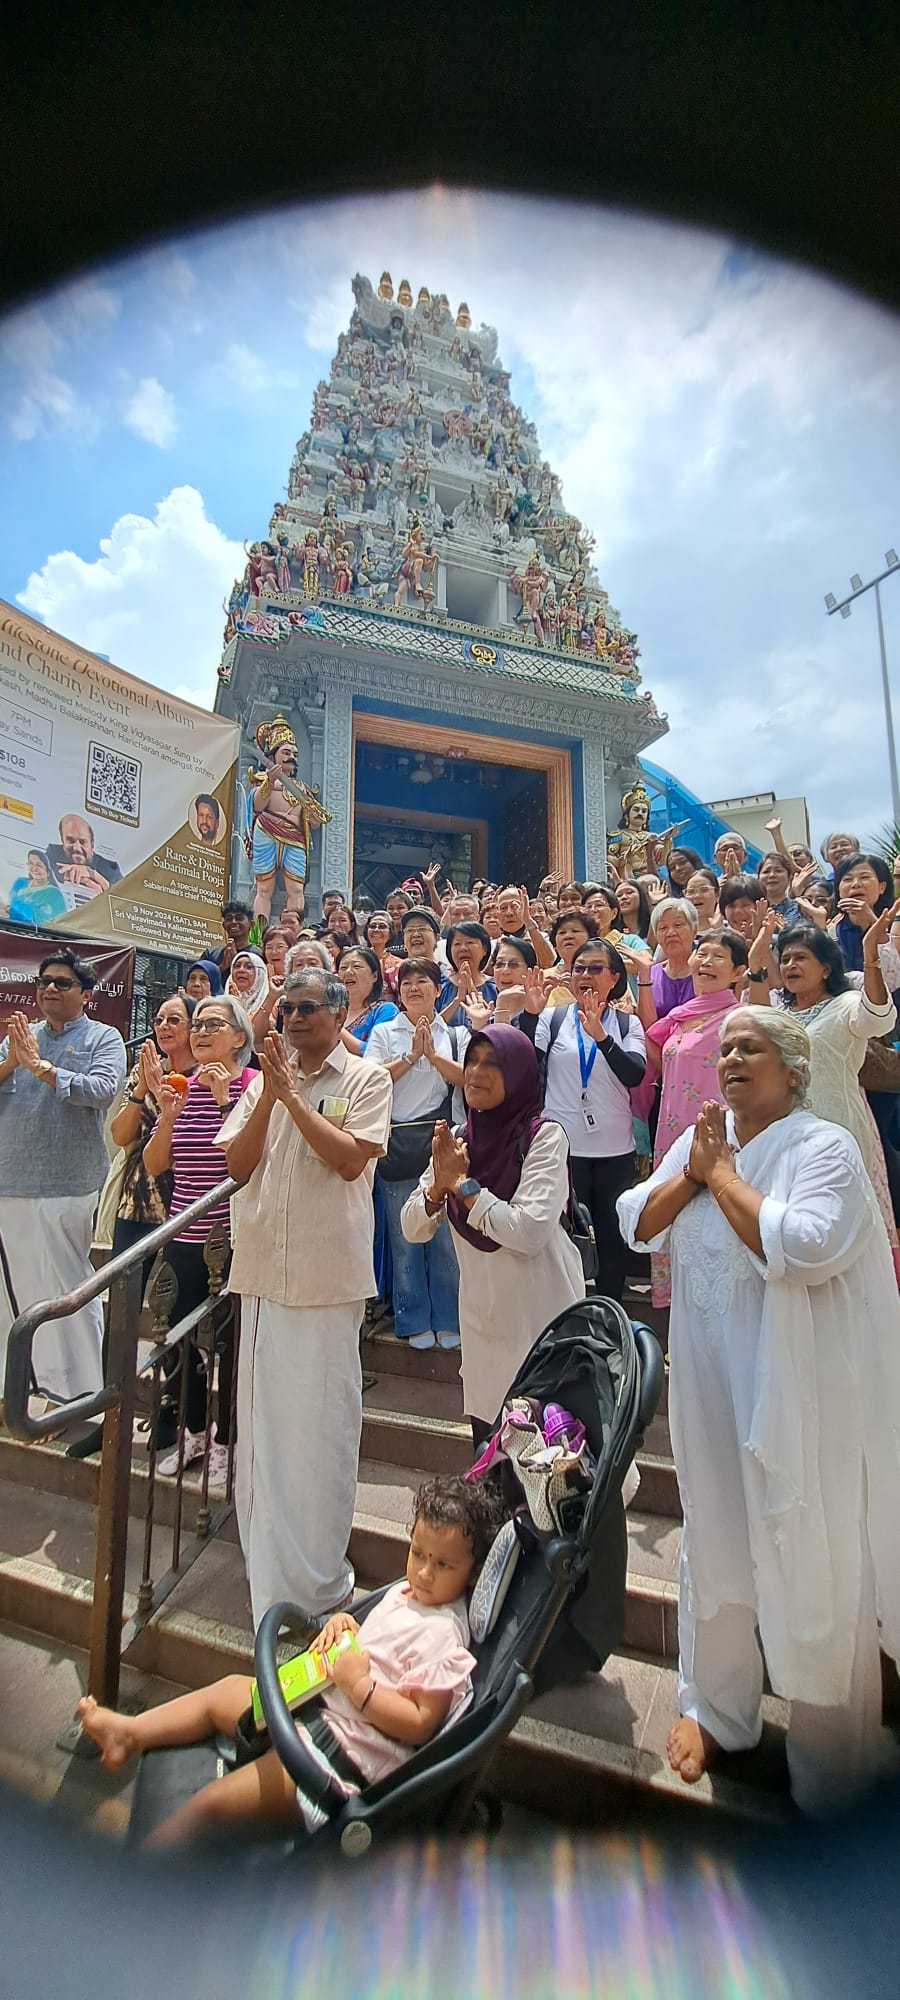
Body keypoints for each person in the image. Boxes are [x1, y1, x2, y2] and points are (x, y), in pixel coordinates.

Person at [616, 1009, 900, 1815]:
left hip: (802, 1397)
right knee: (716, 1542)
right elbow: (635, 1220)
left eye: (753, 1047)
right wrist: (694, 1172)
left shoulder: (823, 1147)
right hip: (707, 1391)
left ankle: (831, 1761)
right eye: (727, 1047)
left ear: (794, 1069)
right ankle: (719, 1712)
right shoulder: (700, 1142)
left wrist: (722, 1178)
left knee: (813, 1549)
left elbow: (804, 1246)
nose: (733, 1057)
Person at [75, 1474, 501, 1848]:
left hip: (341, 1754)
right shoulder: (406, 1593)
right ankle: (128, 1734)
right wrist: (345, 1626)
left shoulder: (444, 1636)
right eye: (418, 1554)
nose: (424, 1572)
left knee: (210, 1806)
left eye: (443, 1564)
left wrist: (361, 1688)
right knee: (224, 1692)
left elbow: (422, 1722)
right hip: (318, 1704)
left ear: (472, 1570)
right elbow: (377, 1640)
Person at [218, 970, 393, 1623]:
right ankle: (270, 1579)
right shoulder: (267, 1075)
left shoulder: (366, 1078)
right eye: (284, 1008)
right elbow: (237, 1165)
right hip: (263, 1271)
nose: (291, 1017)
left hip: (325, 1281)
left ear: (340, 1010)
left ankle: (319, 1582)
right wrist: (271, 1094)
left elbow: (350, 1161)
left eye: (307, 1007)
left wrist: (294, 1099)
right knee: (265, 1435)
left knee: (318, 1433)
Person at [402, 1028, 585, 1440]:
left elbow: (528, 1231)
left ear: (519, 1074)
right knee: (492, 1464)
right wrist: (437, 1189)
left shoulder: (545, 1137)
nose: (476, 1073)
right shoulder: (458, 1141)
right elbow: (412, 1226)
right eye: (472, 1061)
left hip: (542, 1326)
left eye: (492, 1063)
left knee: (551, 1466)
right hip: (485, 1330)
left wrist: (465, 1187)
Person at [0, 950, 126, 1402]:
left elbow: (101, 1091)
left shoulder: (103, 1037)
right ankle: (20, 1389)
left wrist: (43, 1068)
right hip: (10, 1181)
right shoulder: (20, 1038)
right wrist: (14, 1062)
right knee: (12, 1290)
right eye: (44, 981)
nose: (49, 988)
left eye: (62, 983)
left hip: (68, 1182)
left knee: (66, 1289)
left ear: (86, 995)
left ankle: (76, 1392)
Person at [143, 993, 255, 1479]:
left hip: (234, 1236)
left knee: (229, 1344)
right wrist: (168, 1114)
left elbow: (252, 1160)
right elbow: (154, 1164)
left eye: (216, 1024)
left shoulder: (254, 1084)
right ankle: (192, 1433)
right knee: (177, 1341)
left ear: (240, 1037)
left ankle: (228, 1440)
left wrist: (223, 1098)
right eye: (199, 1024)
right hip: (182, 1233)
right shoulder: (178, 1084)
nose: (203, 1032)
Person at [748, 912, 900, 1264]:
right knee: (792, 1232)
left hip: (837, 1129)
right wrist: (757, 964)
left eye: (800, 957)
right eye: (784, 958)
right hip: (780, 1134)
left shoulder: (845, 1004)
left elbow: (880, 1018)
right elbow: (756, 1026)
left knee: (838, 1234)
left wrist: (870, 954)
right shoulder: (777, 1007)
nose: (789, 965)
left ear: (827, 968)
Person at [520, 940, 646, 1302]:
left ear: (614, 977)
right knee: (562, 1235)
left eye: (595, 968)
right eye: (579, 968)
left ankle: (608, 1313)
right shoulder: (553, 1018)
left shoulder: (626, 1023)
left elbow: (635, 1073)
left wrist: (602, 1039)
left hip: (614, 1150)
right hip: (564, 1149)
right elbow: (526, 1064)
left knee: (611, 1235)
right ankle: (567, 1312)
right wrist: (530, 1015)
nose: (585, 976)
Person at [644, 928, 749, 1305]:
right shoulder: (679, 1016)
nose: (705, 961)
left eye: (718, 957)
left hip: (716, 1136)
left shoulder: (739, 1017)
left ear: (738, 972)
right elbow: (661, 1059)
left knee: (713, 1223)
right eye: (701, 954)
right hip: (671, 1134)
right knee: (674, 1218)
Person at [365, 960, 464, 1352]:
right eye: (407, 983)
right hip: (398, 1144)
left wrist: (434, 1056)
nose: (414, 988)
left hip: (439, 1142)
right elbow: (372, 1080)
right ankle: (411, 1316)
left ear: (438, 989)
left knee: (443, 1236)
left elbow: (466, 1079)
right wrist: (409, 1056)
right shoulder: (385, 1032)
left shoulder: (455, 1034)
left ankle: (449, 1315)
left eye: (423, 981)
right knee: (403, 1235)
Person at [109, 992, 197, 1274]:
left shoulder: (207, 1075)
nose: (164, 1026)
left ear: (192, 1026)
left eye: (174, 1020)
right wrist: (142, 1088)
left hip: (183, 1198)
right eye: (158, 1020)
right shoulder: (144, 1070)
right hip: (139, 1198)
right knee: (123, 1293)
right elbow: (121, 1136)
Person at [831, 853, 894, 971]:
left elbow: (894, 980)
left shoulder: (894, 925)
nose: (855, 884)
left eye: (864, 877)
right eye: (847, 879)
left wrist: (875, 927)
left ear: (882, 887)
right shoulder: (832, 931)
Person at [338, 946, 397, 1052]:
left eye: (357, 966)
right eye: (343, 968)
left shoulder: (385, 1010)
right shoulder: (331, 1009)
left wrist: (336, 1029)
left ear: (374, 976)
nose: (348, 972)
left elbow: (375, 1052)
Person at [438, 921, 497, 1027]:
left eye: (470, 942)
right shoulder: (439, 986)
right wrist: (457, 1001)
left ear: (484, 949)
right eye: (457, 944)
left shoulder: (495, 987)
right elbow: (432, 1027)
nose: (463, 948)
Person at [47, 814, 122, 897]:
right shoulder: (53, 852)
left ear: (92, 843)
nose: (77, 848)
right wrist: (84, 880)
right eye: (70, 841)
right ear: (62, 840)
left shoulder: (110, 868)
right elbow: (42, 872)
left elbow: (124, 897)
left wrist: (91, 873)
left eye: (83, 842)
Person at [544, 909, 600, 1005]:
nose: (568, 936)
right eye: (562, 933)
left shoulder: (602, 972)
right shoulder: (543, 977)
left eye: (575, 931)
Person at [8, 847, 67, 925]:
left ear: (48, 872)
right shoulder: (20, 883)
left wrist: (15, 909)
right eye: (31, 863)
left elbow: (51, 921)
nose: (34, 869)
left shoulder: (53, 893)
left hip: (37, 935)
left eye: (39, 865)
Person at [757, 851, 803, 926]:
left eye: (778, 871)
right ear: (758, 877)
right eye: (766, 871)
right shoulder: (750, 907)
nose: (772, 875)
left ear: (789, 877)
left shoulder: (800, 908)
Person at [718, 875, 765, 943]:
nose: (738, 911)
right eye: (731, 906)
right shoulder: (716, 943)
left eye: (745, 905)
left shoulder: (775, 941)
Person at [212, 900, 254, 977]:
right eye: (229, 919)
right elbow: (201, 979)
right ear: (224, 925)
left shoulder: (258, 955)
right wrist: (223, 966)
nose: (234, 922)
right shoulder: (211, 954)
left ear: (251, 924)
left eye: (239, 918)